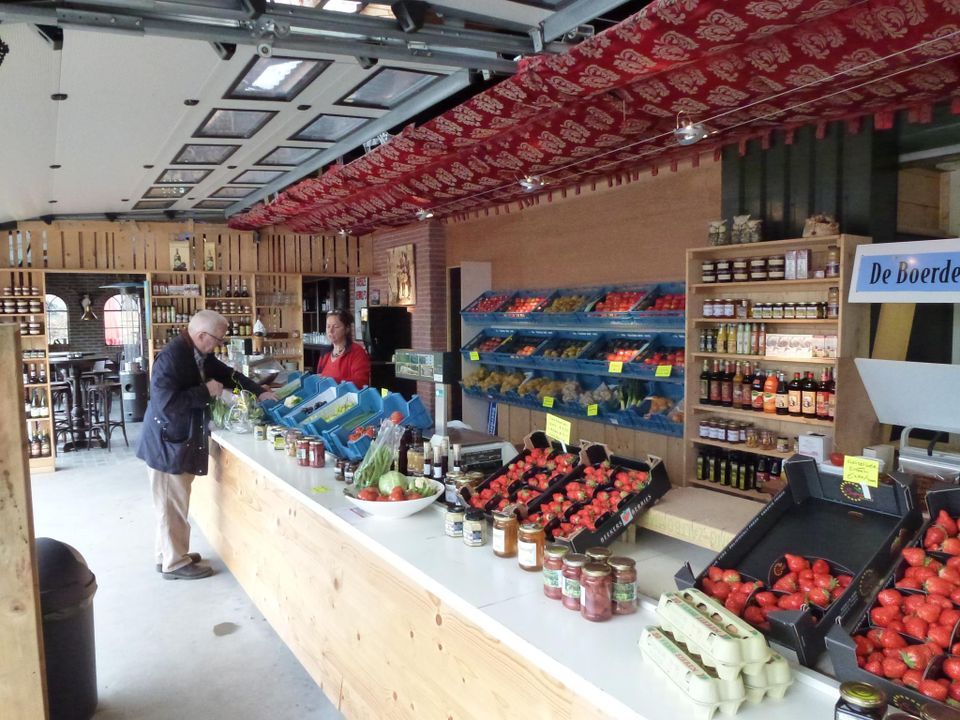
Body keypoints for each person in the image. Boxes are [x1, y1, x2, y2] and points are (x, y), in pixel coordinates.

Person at [137, 309, 277, 580]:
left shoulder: (199, 354)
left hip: (176, 439)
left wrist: (259, 392)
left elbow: (228, 375)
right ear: (202, 335)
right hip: (167, 442)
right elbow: (166, 404)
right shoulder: (172, 358)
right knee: (170, 503)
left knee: (173, 503)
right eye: (218, 339)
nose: (219, 345)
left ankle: (167, 554)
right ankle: (174, 564)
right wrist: (206, 392)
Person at [315, 309, 371, 388]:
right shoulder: (325, 353)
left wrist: (332, 381)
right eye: (328, 326)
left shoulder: (357, 352)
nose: (330, 331)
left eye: (336, 327)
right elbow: (319, 379)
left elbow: (361, 383)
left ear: (347, 329)